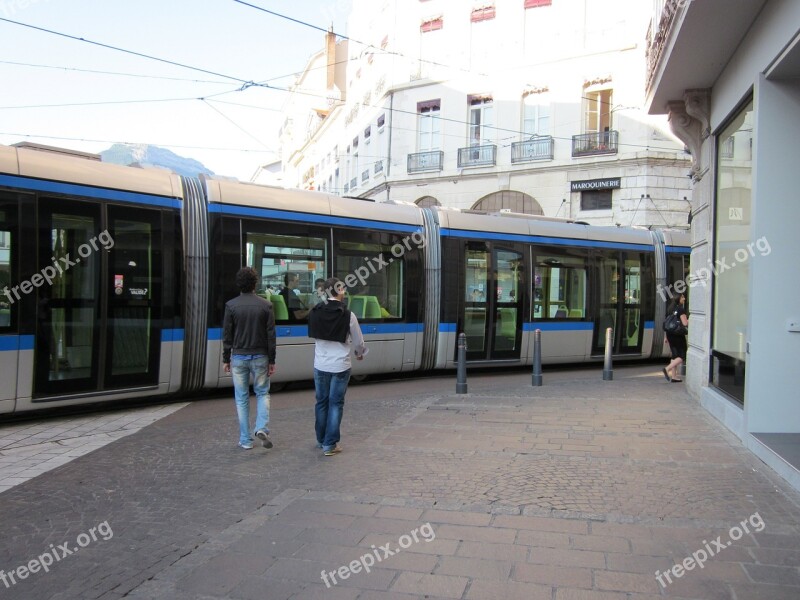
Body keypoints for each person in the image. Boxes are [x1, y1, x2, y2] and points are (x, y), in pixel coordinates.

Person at [308, 277, 367, 456]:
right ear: (340, 291)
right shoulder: (348, 314)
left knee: (321, 402)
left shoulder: (315, 311)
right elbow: (358, 341)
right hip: (340, 366)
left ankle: (321, 440)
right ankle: (330, 444)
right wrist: (359, 353)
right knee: (336, 404)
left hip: (320, 364)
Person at [223, 267, 277, 450]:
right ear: (256, 283)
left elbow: (227, 335)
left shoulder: (231, 305)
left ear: (239, 284)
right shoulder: (266, 305)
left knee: (242, 398)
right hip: (261, 356)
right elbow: (271, 336)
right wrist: (272, 360)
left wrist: (225, 358)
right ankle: (261, 427)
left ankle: (245, 440)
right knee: (262, 393)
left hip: (238, 356)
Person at [662, 293, 688, 383]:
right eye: (682, 297)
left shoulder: (670, 309)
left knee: (674, 355)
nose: (684, 298)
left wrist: (666, 337)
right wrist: (691, 319)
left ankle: (674, 376)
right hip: (678, 335)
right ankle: (667, 369)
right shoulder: (680, 309)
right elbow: (685, 323)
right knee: (682, 356)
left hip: (670, 334)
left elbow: (667, 323)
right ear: (678, 298)